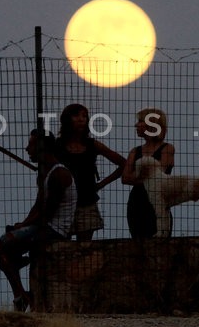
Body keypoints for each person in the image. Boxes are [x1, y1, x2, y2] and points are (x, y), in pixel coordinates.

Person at [0, 129, 77, 311]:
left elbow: (47, 212)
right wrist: (22, 225)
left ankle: (20, 294)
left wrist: (23, 227)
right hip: (44, 226)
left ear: (41, 147)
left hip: (55, 230)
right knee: (3, 247)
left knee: (4, 245)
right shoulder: (46, 173)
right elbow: (38, 206)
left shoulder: (58, 174)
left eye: (30, 144)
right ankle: (20, 294)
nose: (27, 149)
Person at [54, 103, 126, 241]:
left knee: (85, 248)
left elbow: (123, 163)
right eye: (76, 115)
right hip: (62, 203)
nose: (81, 119)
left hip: (86, 201)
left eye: (84, 116)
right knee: (62, 247)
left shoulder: (92, 145)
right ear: (67, 119)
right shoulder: (57, 146)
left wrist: (100, 184)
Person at [121, 107, 176, 239]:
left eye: (140, 121)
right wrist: (147, 177)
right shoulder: (135, 151)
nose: (136, 125)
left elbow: (159, 174)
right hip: (137, 202)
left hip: (158, 200)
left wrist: (138, 176)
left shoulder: (167, 148)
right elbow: (125, 178)